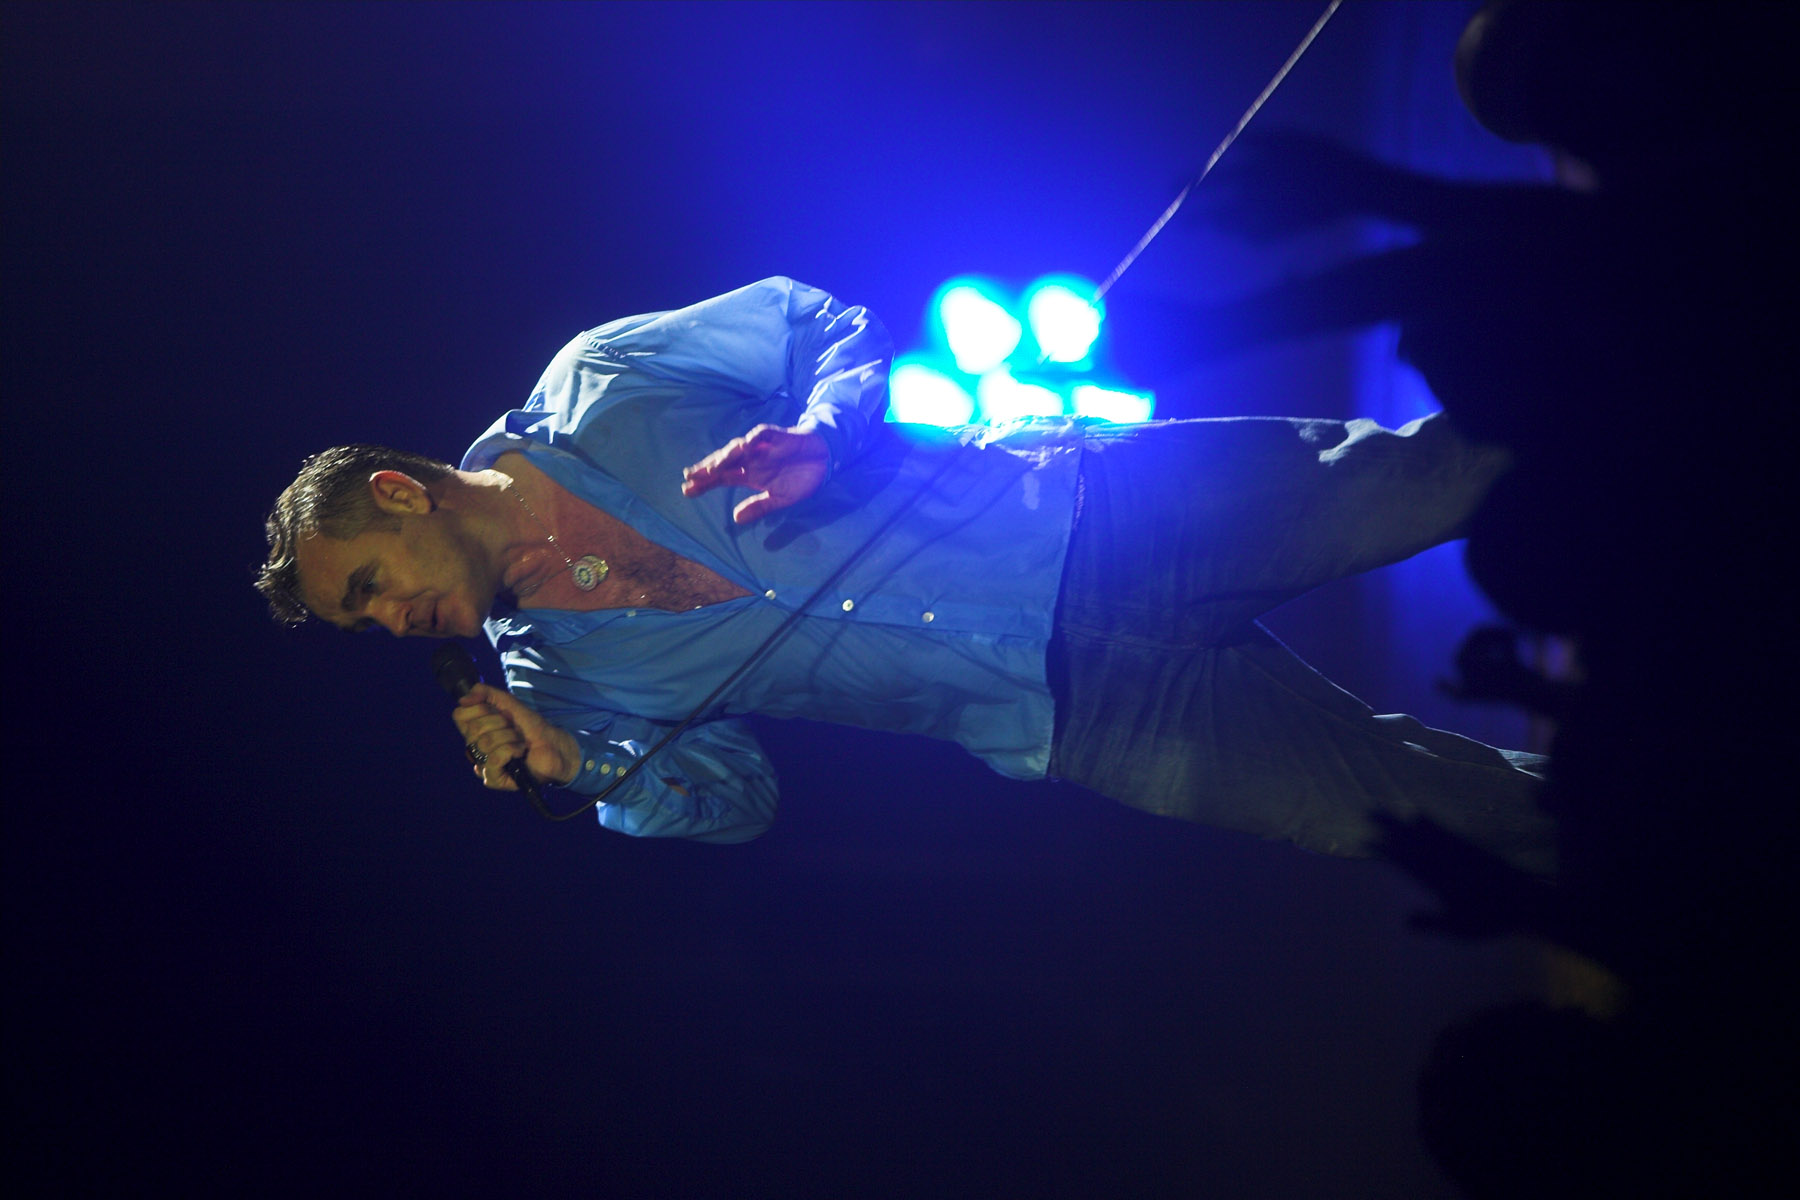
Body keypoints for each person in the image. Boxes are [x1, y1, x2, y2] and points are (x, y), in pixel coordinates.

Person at [258, 277, 1555, 873]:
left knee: (1441, 478)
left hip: (1097, 512)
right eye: (362, 623)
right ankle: (1667, 837)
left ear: (402, 493)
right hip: (1083, 719)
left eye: (366, 585)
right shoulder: (557, 685)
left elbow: (822, 324)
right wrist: (575, 765)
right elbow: (737, 802)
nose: (390, 623)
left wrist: (828, 429)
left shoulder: (597, 383)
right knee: (1435, 817)